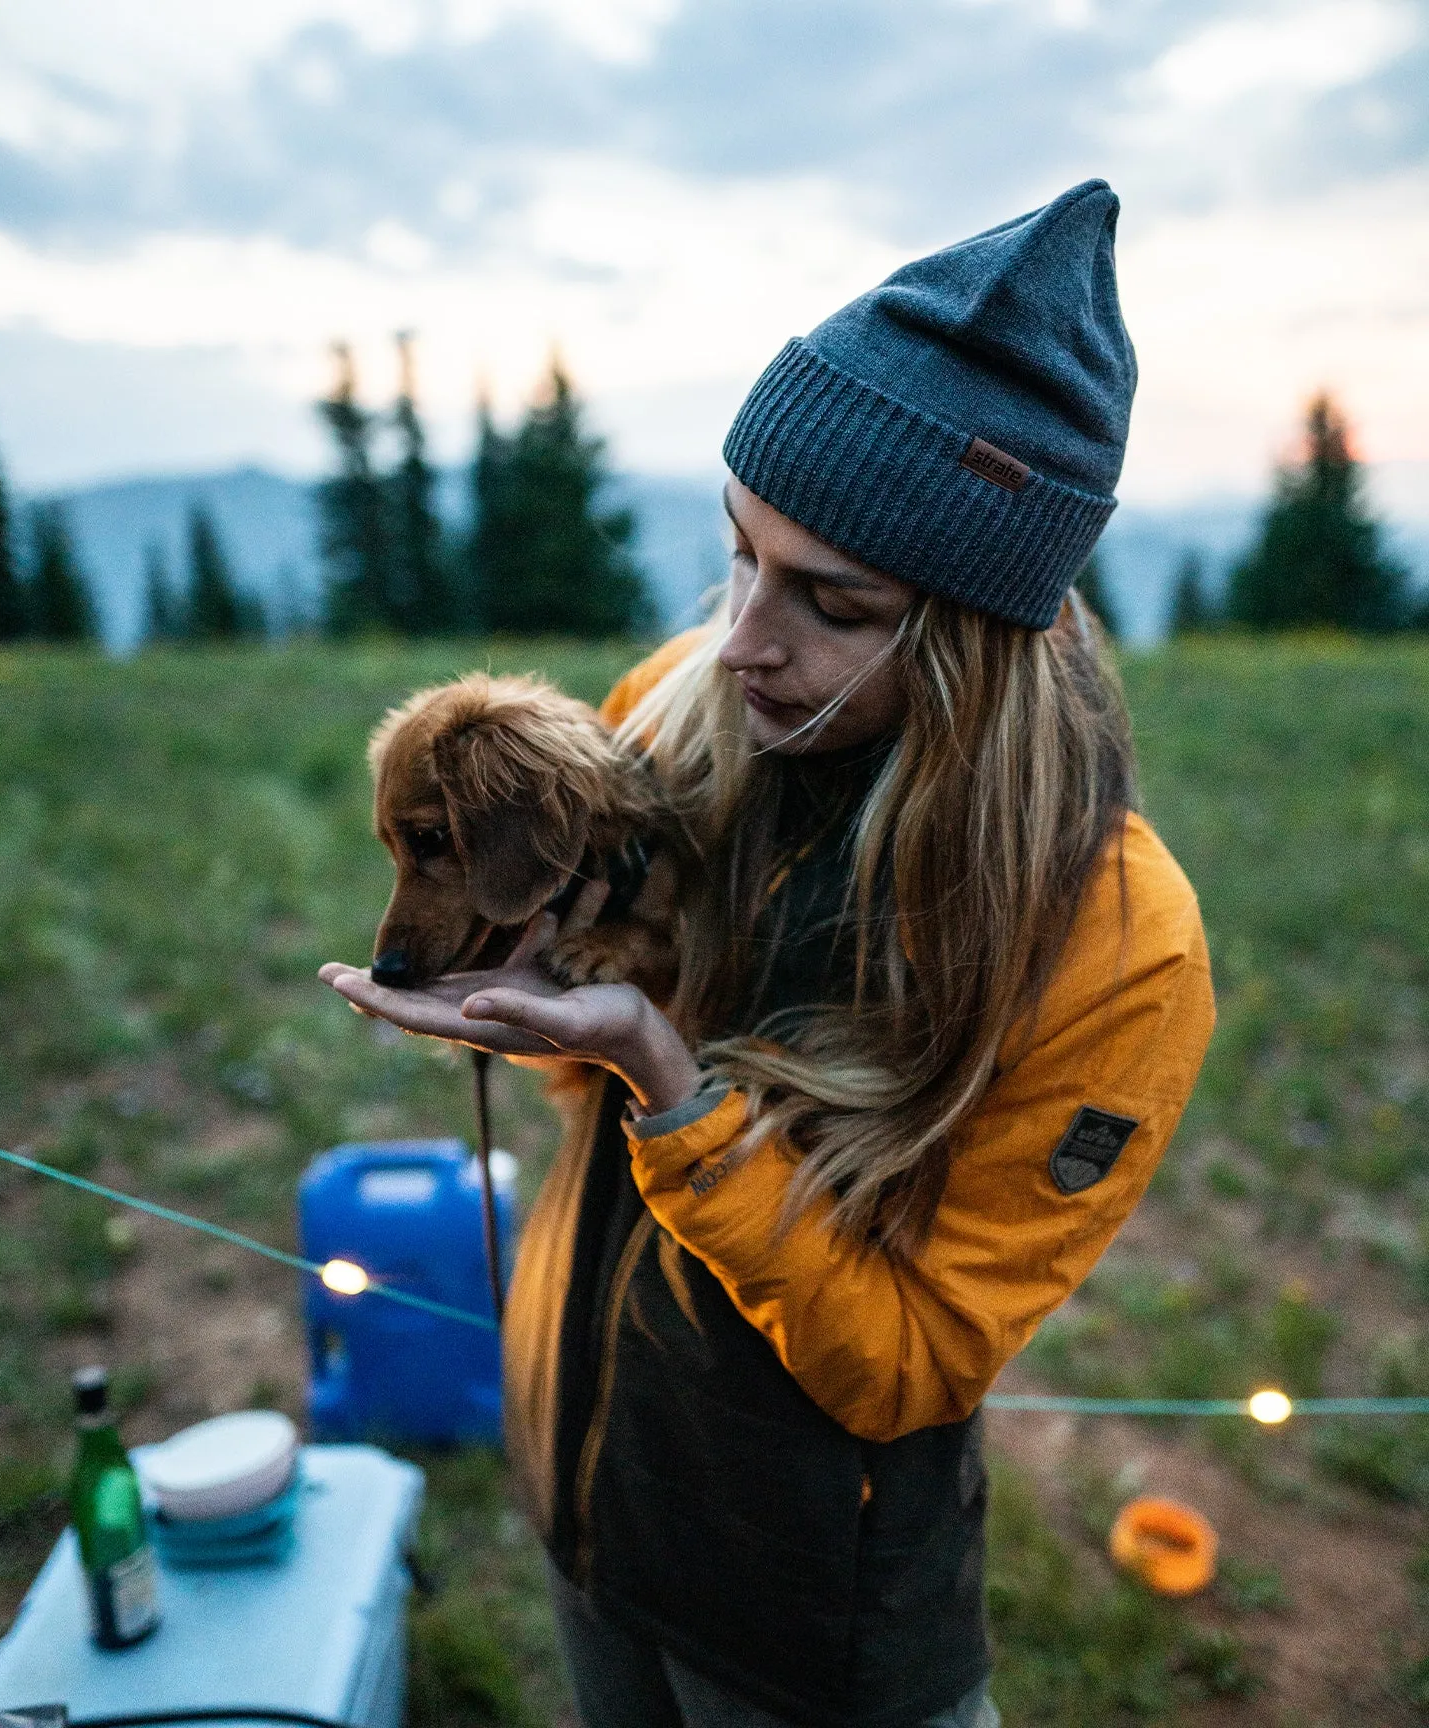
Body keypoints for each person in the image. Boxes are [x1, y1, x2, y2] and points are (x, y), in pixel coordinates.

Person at [322, 179, 1215, 1728]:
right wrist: (544, 1018)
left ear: (975, 634)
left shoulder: (1116, 945)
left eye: (831, 600)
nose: (740, 636)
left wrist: (669, 1085)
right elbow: (583, 1109)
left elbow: (912, 1359)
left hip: (812, 1621)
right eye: (738, 553)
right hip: (589, 1491)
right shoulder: (680, 703)